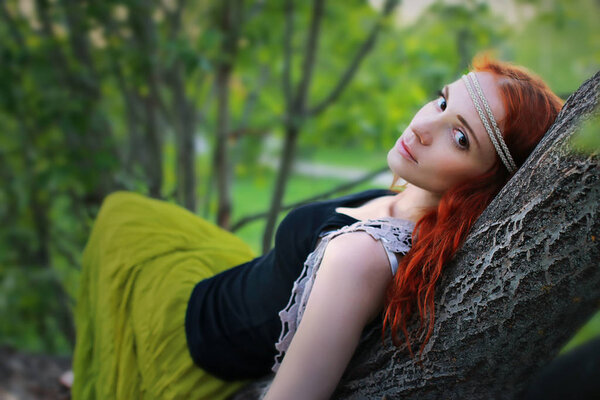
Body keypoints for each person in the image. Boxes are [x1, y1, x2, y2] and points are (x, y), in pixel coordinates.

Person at [68, 56, 563, 400]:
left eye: (459, 138)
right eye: (440, 101)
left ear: (484, 185)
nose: (421, 127)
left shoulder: (360, 260)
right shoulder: (410, 205)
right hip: (231, 282)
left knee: (120, 225)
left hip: (197, 341)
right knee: (135, 215)